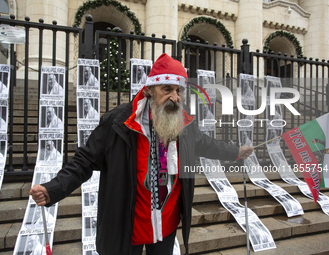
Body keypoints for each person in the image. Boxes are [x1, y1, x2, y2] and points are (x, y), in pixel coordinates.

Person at [30, 53, 254, 255]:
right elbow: (85, 160)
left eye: (179, 91)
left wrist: (236, 151)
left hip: (166, 222)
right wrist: (53, 189)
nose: (175, 98)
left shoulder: (183, 121)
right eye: (167, 89)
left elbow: (205, 144)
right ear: (149, 90)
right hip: (128, 223)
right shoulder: (119, 121)